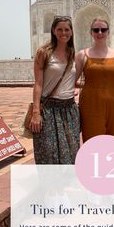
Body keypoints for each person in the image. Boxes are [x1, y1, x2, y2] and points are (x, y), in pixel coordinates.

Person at [30, 16, 80, 164]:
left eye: (67, 29)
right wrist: (36, 112)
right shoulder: (44, 53)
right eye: (59, 29)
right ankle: (50, 186)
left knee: (71, 151)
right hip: (49, 109)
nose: (63, 33)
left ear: (71, 31)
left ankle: (65, 186)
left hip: (69, 109)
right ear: (53, 30)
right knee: (48, 151)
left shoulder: (72, 54)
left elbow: (70, 79)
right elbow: (38, 83)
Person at [75, 18, 114, 142]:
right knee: (93, 141)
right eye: (96, 30)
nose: (100, 33)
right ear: (91, 33)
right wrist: (90, 85)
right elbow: (71, 81)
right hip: (91, 104)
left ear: (108, 32)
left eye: (103, 30)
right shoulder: (82, 55)